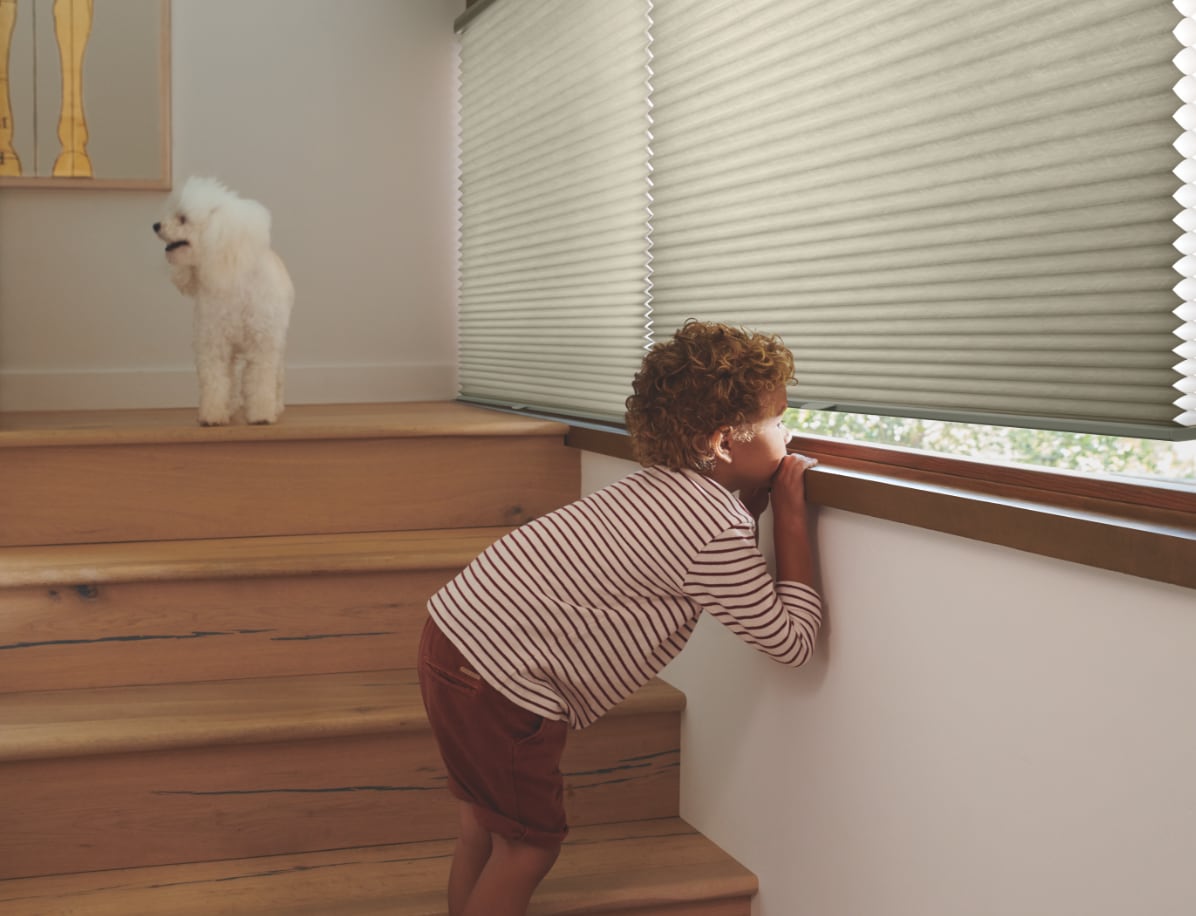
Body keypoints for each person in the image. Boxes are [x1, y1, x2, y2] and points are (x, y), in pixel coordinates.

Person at [417, 320, 823, 916]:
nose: (789, 435)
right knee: (529, 848)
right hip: (501, 684)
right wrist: (789, 509)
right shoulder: (714, 528)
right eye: (779, 422)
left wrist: (754, 508)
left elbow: (692, 554)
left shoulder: (654, 488)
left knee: (482, 823)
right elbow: (791, 642)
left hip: (451, 637)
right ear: (722, 442)